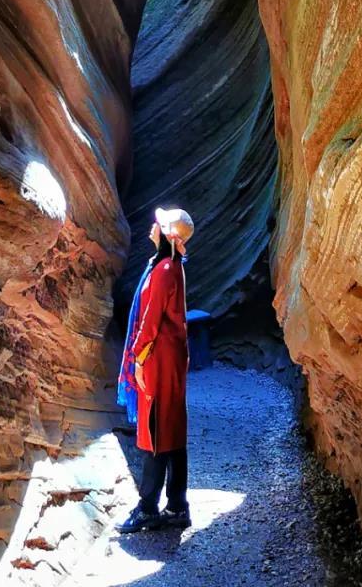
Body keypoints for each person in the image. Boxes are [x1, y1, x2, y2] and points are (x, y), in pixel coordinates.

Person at [117, 206, 195, 533]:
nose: (152, 226)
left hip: (157, 359)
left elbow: (150, 320)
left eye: (158, 225)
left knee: (156, 432)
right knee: (172, 429)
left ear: (166, 234)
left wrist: (136, 358)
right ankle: (177, 505)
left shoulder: (164, 269)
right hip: (170, 358)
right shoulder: (171, 265)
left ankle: (148, 507)